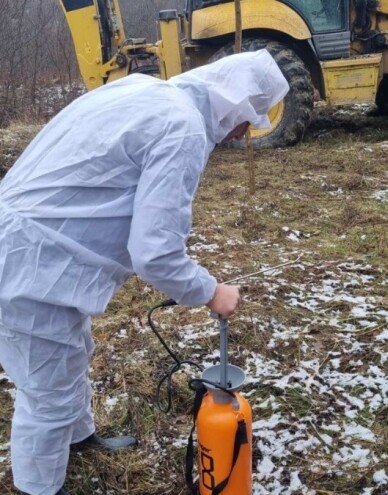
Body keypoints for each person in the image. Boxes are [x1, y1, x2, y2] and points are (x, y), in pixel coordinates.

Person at [0, 49, 289, 495]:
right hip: (30, 261)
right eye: (249, 119)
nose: (244, 132)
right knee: (47, 392)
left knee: (71, 348)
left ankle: (79, 437)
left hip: (43, 248)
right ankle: (40, 488)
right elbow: (154, 253)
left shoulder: (148, 91)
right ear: (234, 104)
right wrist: (212, 292)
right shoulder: (183, 127)